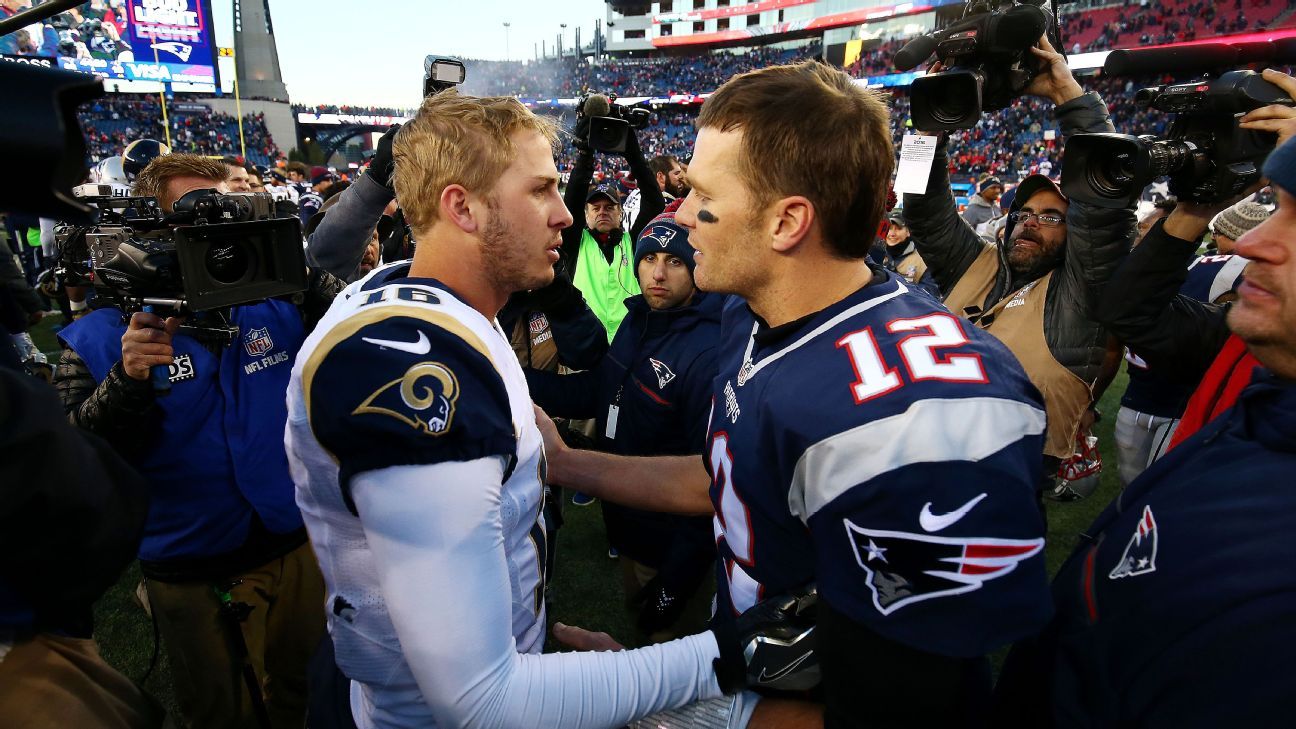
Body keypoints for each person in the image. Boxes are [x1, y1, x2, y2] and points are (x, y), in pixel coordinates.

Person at [539, 61, 1052, 727]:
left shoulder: (922, 415)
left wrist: (675, 710)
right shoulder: (751, 309)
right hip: (759, 657)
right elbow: (735, 475)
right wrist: (568, 461)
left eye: (701, 193)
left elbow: (893, 709)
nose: (682, 214)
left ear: (787, 222)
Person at [286, 90, 766, 729]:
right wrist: (726, 659)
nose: (565, 215)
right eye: (540, 190)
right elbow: (483, 701)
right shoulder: (409, 360)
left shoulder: (440, 302)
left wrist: (562, 463)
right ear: (463, 207)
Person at [993, 133, 1296, 729]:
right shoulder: (1264, 401)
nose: (1255, 241)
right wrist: (1195, 206)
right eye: (1277, 206)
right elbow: (1130, 310)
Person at [52, 153, 342, 729]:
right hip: (192, 565)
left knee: (307, 691)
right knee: (223, 712)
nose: (211, 232)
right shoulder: (100, 338)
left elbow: (360, 325)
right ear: (150, 229)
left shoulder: (274, 300)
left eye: (223, 214)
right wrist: (127, 382)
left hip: (294, 543)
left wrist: (302, 272)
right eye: (192, 217)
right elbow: (77, 467)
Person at [902, 37, 1134, 486]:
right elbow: (921, 207)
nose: (1030, 224)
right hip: (918, 450)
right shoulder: (979, 263)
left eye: (1051, 217)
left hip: (1006, 481)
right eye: (1023, 214)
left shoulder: (1081, 291)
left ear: (1075, 233)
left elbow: (1105, 212)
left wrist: (1070, 97)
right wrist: (926, 127)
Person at [527, 209, 719, 645]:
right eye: (650, 259)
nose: (658, 273)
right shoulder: (638, 320)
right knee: (639, 628)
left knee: (667, 658)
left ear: (695, 267)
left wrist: (675, 586)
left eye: (674, 261)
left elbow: (709, 485)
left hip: (670, 546)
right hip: (628, 524)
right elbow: (599, 390)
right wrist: (520, 382)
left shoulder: (707, 352)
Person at [560, 114, 665, 342]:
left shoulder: (635, 242)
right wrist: (585, 159)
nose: (602, 211)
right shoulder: (576, 244)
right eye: (595, 207)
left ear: (621, 213)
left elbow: (655, 203)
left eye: (609, 206)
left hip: (630, 348)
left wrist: (633, 155)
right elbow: (572, 202)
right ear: (585, 215)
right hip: (585, 351)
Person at [878, 209, 939, 298]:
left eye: (898, 229)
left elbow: (931, 293)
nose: (892, 234)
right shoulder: (876, 254)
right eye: (889, 228)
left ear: (908, 232)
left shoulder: (923, 260)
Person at [623, 154, 688, 225]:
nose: (681, 177)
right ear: (660, 177)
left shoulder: (635, 193)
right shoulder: (663, 201)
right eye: (677, 173)